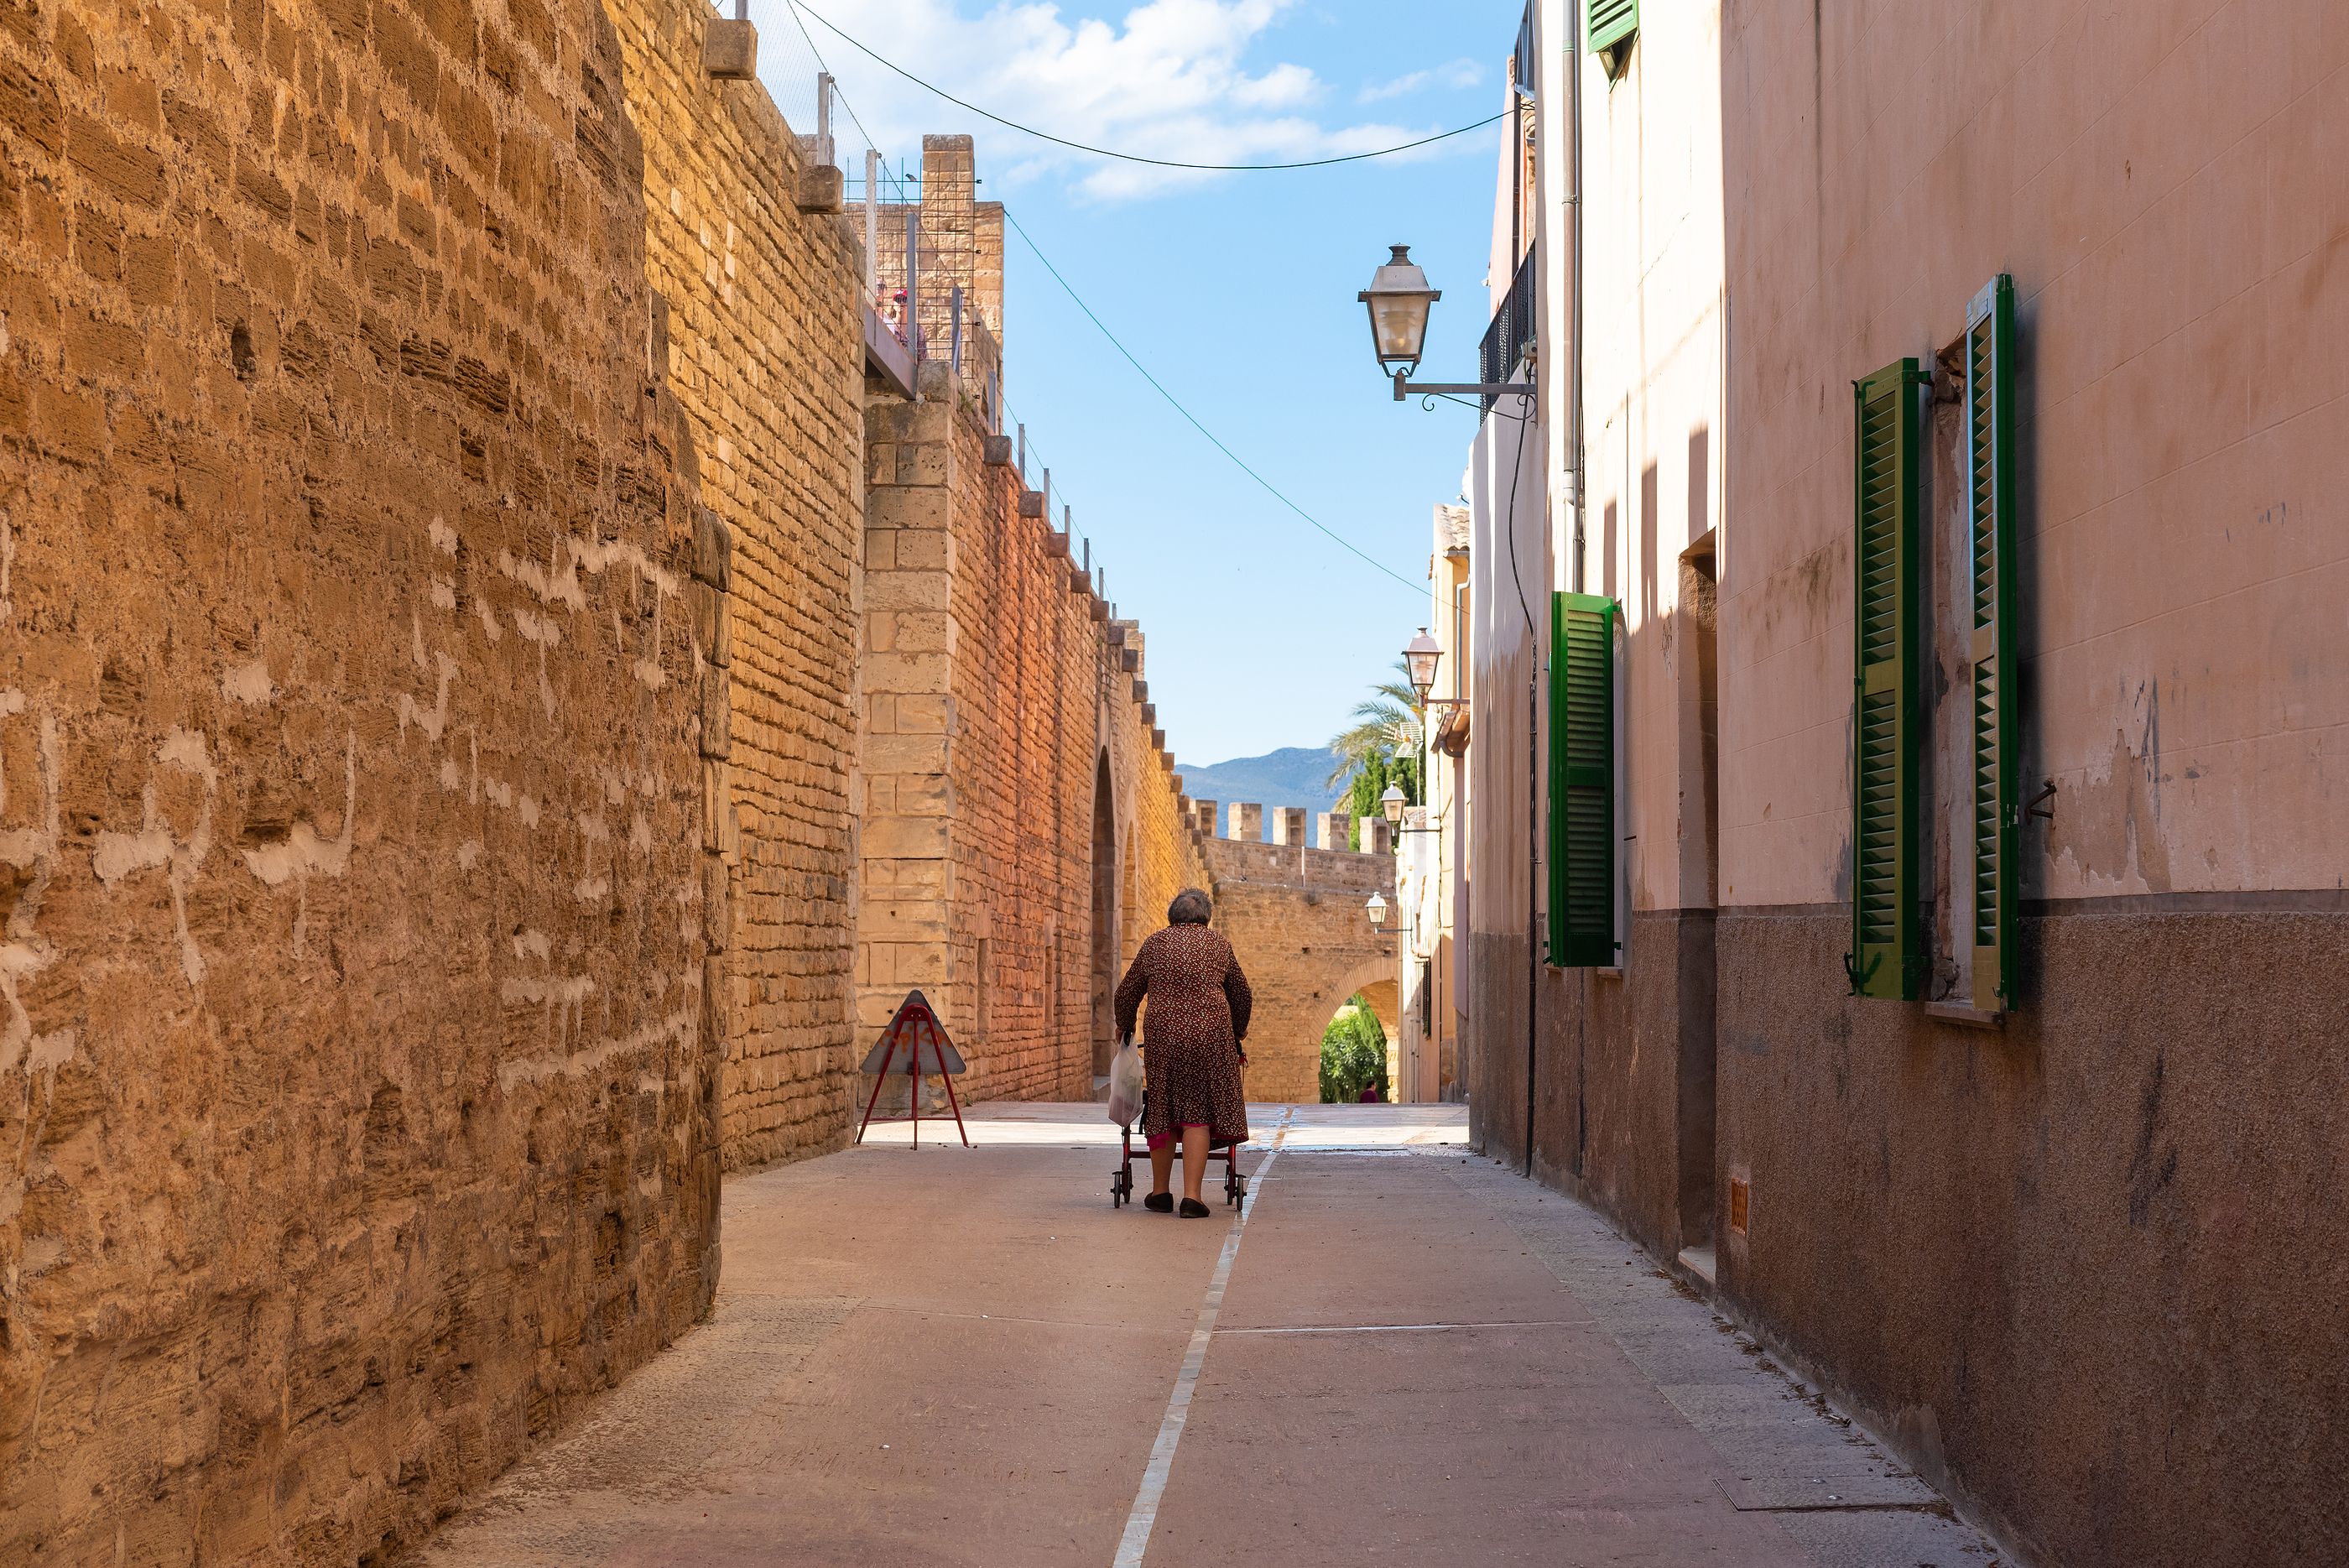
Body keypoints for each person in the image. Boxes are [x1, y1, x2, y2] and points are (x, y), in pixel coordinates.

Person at [1113, 888, 1251, 1216]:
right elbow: (1242, 994)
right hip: (1210, 1037)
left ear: (1172, 916)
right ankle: (1192, 1198)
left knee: (1162, 1104)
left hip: (1165, 1037)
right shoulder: (1219, 945)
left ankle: (1160, 1193)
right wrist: (1237, 1032)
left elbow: (1126, 992)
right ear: (1205, 916)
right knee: (1197, 1113)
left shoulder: (1155, 944)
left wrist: (1125, 1025)